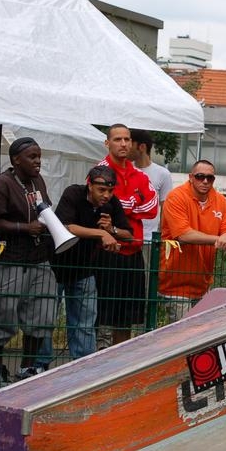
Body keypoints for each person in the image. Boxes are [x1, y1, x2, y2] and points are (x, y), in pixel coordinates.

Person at [0, 137, 58, 381]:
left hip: (38, 258)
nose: (38, 161)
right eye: (32, 157)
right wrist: (24, 228)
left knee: (42, 314)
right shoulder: (2, 184)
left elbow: (44, 208)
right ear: (16, 159)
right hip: (9, 260)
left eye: (39, 157)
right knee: (2, 314)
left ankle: (27, 367)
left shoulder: (38, 180)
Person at [51, 166, 133, 359]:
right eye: (101, 190)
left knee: (85, 322)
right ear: (89, 185)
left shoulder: (112, 203)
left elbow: (128, 234)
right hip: (55, 264)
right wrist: (101, 233)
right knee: (47, 318)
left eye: (110, 191)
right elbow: (67, 226)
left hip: (85, 268)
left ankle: (83, 363)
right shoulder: (73, 193)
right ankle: (40, 364)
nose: (106, 195)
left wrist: (111, 229)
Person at [96, 124, 158, 348]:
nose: (123, 144)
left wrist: (123, 206)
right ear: (107, 143)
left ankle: (119, 360)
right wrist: (132, 202)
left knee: (126, 319)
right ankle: (97, 361)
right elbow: (100, 203)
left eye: (127, 139)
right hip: (106, 253)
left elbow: (152, 206)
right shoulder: (100, 171)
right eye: (117, 139)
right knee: (101, 315)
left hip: (133, 251)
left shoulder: (139, 174)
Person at [158, 160, 226, 322]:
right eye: (200, 176)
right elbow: (183, 235)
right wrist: (220, 239)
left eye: (210, 178)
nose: (205, 181)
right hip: (176, 283)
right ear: (191, 177)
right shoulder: (176, 197)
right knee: (184, 332)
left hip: (203, 284)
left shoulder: (220, 200)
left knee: (200, 331)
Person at [129, 129, 172, 244]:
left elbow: (165, 208)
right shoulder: (124, 170)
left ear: (142, 147)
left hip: (149, 239)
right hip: (125, 236)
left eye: (130, 143)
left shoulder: (163, 174)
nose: (125, 147)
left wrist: (161, 236)